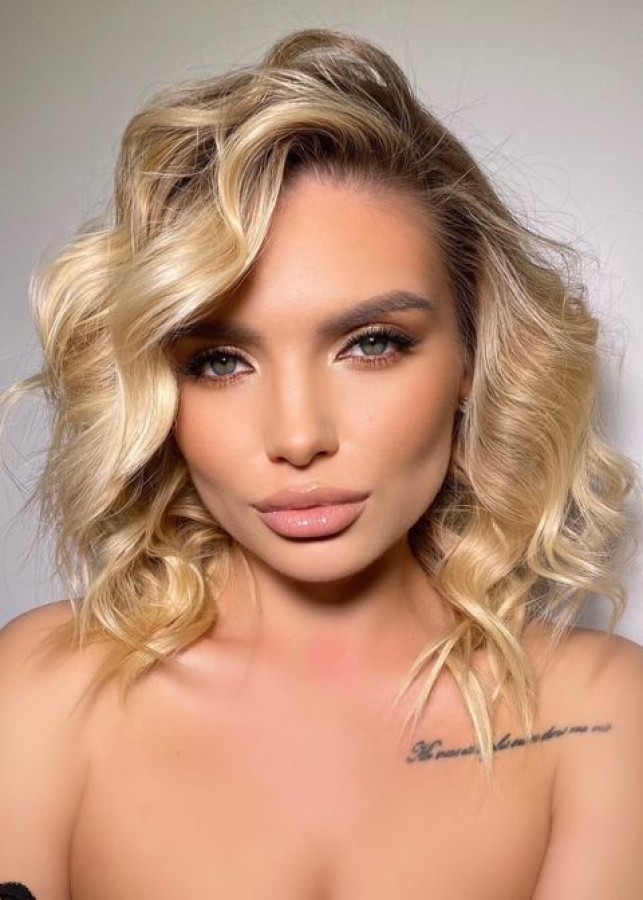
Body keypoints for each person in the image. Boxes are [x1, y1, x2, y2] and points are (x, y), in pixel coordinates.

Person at [0, 25, 642, 899]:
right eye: (219, 361)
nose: (297, 437)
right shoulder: (42, 690)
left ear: (473, 358)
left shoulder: (599, 715)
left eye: (371, 343)